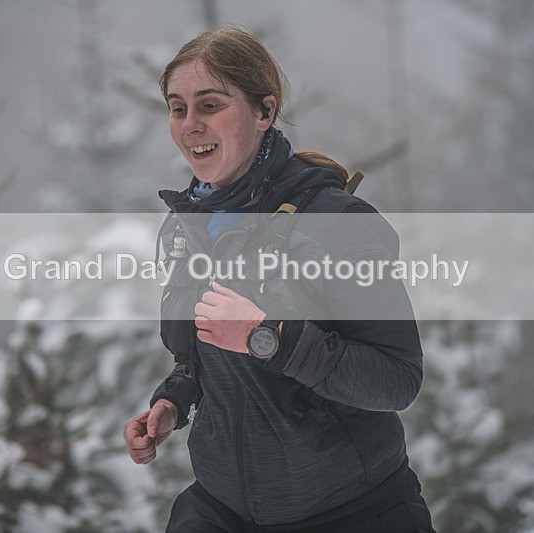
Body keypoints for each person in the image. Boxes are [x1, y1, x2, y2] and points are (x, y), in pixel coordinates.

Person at [123, 25, 435, 532]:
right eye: (178, 109)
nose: (190, 124)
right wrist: (173, 400)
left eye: (210, 105)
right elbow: (201, 354)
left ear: (265, 112)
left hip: (353, 512)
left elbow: (397, 380)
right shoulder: (185, 227)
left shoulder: (335, 223)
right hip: (221, 512)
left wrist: (267, 337)